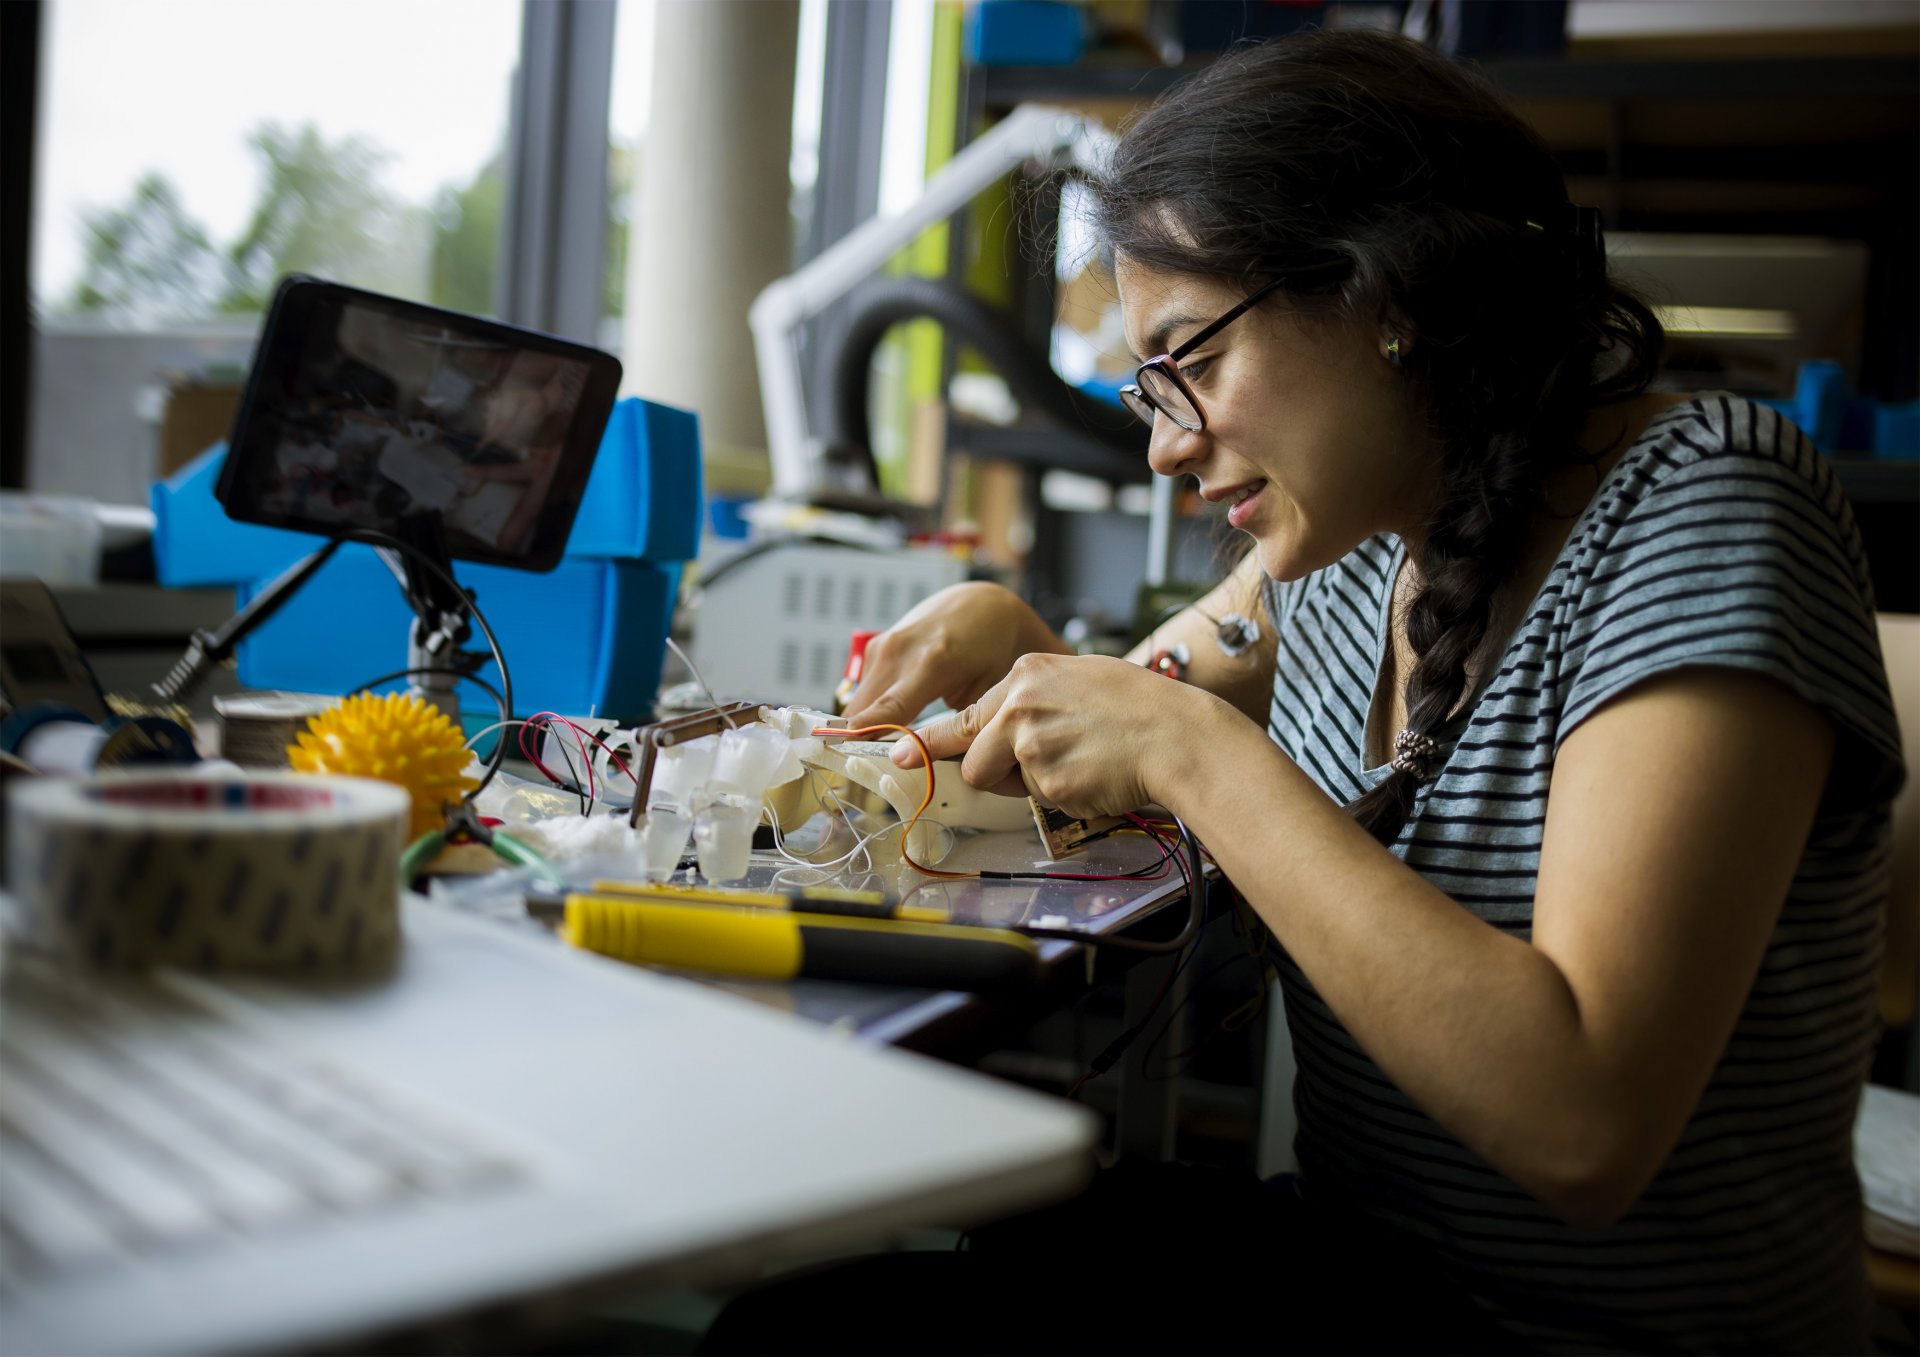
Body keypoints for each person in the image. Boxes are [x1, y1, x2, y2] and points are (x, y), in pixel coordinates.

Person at [710, 27, 1906, 1357]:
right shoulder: (1352, 546)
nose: (1165, 444)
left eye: (1192, 364)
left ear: (1386, 291)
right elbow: (1150, 685)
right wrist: (1014, 636)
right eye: (1148, 384)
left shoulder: (1709, 507)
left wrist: (1199, 758)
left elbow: (1585, 1125)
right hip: (1368, 1278)